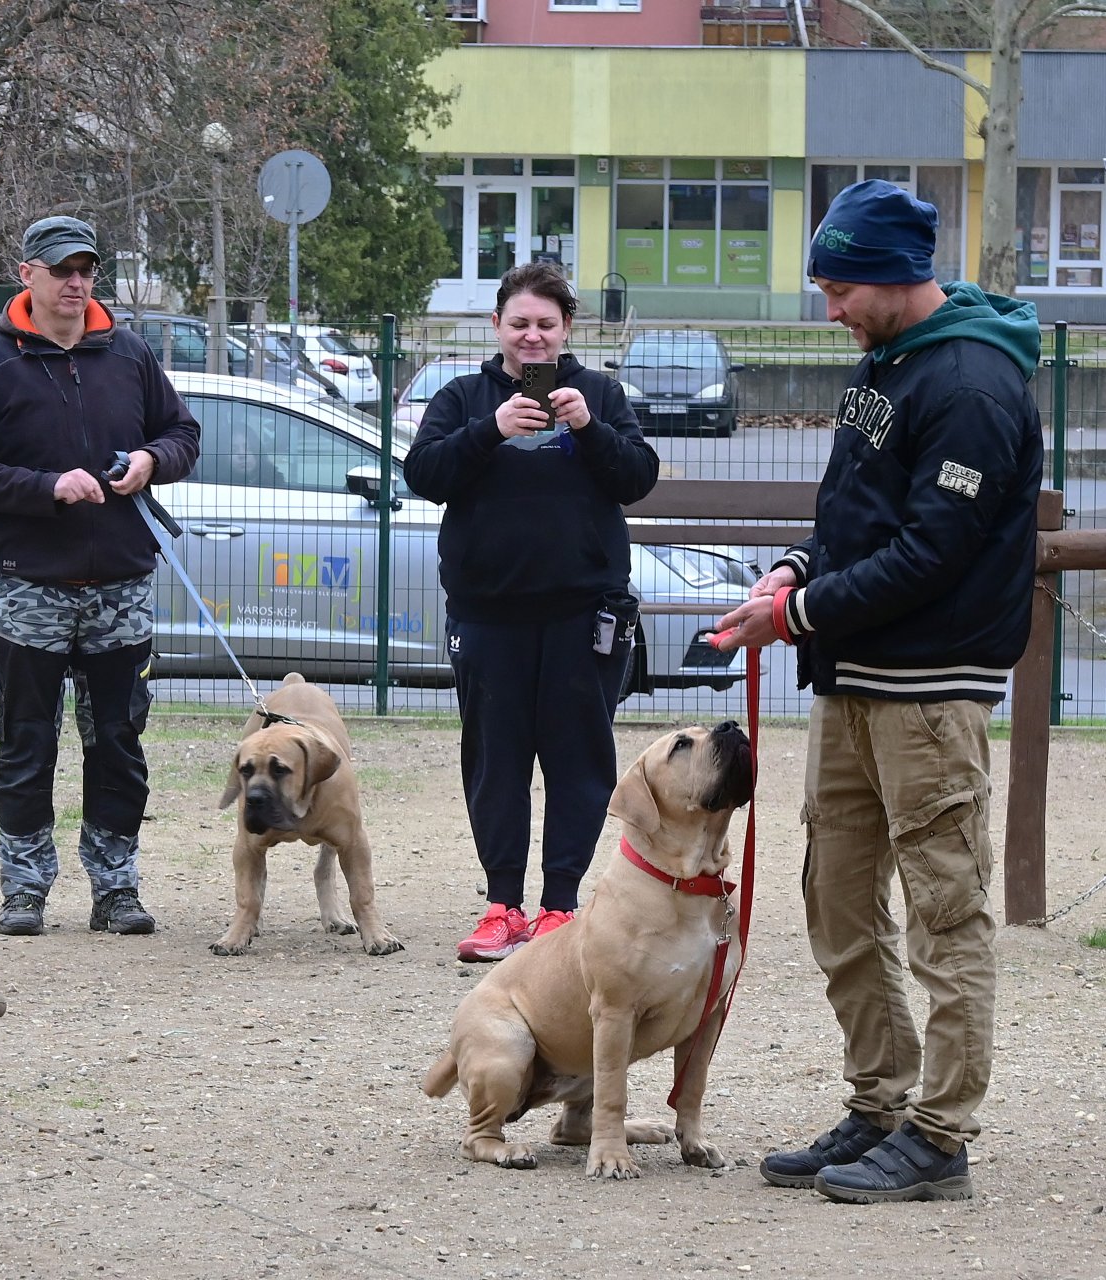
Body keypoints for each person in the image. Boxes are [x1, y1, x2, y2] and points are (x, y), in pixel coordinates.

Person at [710, 179, 1042, 1203]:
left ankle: (940, 1134)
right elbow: (853, 506)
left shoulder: (975, 388)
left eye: (842, 286)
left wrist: (796, 618)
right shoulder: (879, 366)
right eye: (824, 286)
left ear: (900, 275)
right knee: (839, 898)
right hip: (849, 677)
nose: (831, 308)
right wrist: (798, 573)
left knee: (944, 911)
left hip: (927, 691)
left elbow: (932, 552)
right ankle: (878, 1100)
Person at [0, 214, 199, 938]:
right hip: (28, 585)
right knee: (27, 739)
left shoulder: (130, 354)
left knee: (117, 739)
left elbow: (182, 434)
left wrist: (152, 462)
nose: (76, 283)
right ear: (29, 275)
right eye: (62, 270)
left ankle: (116, 887)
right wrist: (46, 488)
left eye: (85, 270)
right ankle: (24, 888)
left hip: (120, 584)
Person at [404, 261, 659, 963]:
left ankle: (560, 907)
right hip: (490, 617)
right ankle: (501, 906)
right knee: (496, 763)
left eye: (546, 324)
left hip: (584, 614)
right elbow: (424, 475)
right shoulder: (463, 397)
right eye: (520, 324)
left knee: (579, 762)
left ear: (567, 329)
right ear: (497, 328)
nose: (533, 338)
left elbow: (638, 477)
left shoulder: (601, 394)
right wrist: (489, 431)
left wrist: (590, 429)